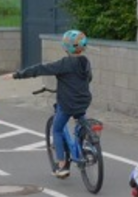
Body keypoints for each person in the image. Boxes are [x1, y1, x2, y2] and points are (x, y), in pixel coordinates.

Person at [7, 29, 92, 178]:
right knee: (80, 118)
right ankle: (88, 141)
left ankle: (61, 166)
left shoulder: (64, 64)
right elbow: (88, 79)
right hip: (84, 101)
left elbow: (41, 69)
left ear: (65, 47)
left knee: (57, 129)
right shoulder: (85, 62)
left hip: (68, 104)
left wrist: (17, 75)